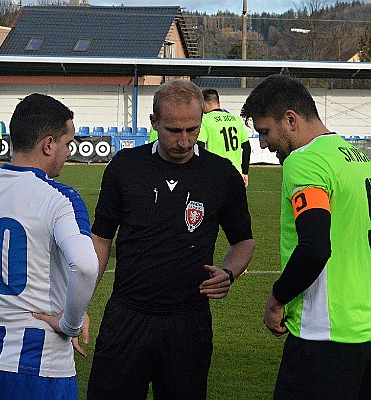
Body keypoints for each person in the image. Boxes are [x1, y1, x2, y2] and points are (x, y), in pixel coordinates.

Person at [87, 79, 255, 400]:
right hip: (127, 317)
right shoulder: (125, 167)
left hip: (188, 322)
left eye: (192, 130)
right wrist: (79, 301)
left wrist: (229, 272)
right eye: (173, 131)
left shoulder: (221, 175)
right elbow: (101, 239)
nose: (184, 141)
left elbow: (243, 241)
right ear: (154, 123)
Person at [241, 74, 371, 400]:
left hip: (325, 334)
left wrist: (276, 299)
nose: (263, 144)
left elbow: (314, 248)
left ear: (290, 120)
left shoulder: (306, 161)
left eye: (265, 132)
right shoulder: (359, 156)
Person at [0, 93, 99, 400]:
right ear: (48, 144)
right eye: (67, 144)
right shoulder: (60, 198)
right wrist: (69, 323)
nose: (69, 152)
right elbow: (85, 265)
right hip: (38, 365)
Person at [199, 88, 251, 187]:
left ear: (203, 104)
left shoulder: (205, 120)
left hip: (216, 174)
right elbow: (246, 147)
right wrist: (245, 172)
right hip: (236, 174)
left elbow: (200, 148)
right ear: (219, 102)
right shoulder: (235, 120)